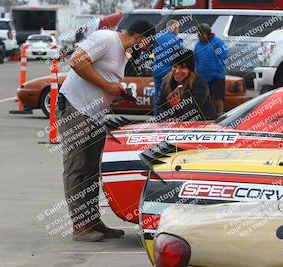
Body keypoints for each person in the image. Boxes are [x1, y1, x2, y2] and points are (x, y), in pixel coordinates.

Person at [58, 20, 155, 242]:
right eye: (148, 43)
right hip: (76, 108)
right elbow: (77, 62)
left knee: (92, 169)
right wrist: (106, 86)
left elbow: (105, 78)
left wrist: (115, 90)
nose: (148, 49)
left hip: (94, 115)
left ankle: (92, 222)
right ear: (139, 37)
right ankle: (80, 226)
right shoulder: (106, 38)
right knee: (77, 167)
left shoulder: (122, 52)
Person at [156, 49, 218, 121]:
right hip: (176, 126)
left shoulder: (199, 83)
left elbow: (193, 111)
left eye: (182, 67)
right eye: (175, 67)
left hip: (204, 124)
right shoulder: (167, 80)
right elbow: (160, 106)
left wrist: (178, 106)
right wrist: (167, 119)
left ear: (190, 70)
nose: (177, 71)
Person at [152, 19, 184, 115]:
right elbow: (181, 55)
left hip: (157, 70)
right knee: (171, 95)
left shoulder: (157, 38)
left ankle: (157, 115)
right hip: (169, 71)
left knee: (158, 94)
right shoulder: (176, 40)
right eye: (178, 28)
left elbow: (150, 53)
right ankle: (168, 116)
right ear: (175, 28)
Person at [194, 23, 227, 115]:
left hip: (216, 77)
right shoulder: (198, 45)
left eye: (200, 35)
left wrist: (216, 69)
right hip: (203, 77)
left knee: (218, 97)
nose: (199, 37)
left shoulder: (218, 43)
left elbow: (223, 57)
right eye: (198, 35)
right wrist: (197, 69)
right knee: (204, 98)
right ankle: (207, 115)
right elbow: (196, 59)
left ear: (206, 34)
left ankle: (220, 114)